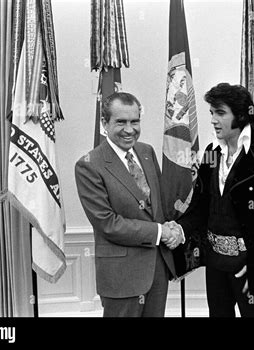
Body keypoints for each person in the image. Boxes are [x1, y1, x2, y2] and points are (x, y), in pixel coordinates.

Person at [174, 83, 254, 317]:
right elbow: (200, 207)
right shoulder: (210, 153)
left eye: (220, 113)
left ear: (242, 115)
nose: (213, 119)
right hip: (215, 263)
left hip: (250, 264)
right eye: (211, 113)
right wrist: (177, 229)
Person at [75, 92, 183, 317]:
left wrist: (174, 229)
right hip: (121, 277)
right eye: (121, 122)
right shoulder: (89, 165)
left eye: (135, 121)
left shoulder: (146, 152)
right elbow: (108, 223)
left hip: (157, 271)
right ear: (104, 124)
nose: (129, 129)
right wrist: (160, 232)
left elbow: (157, 208)